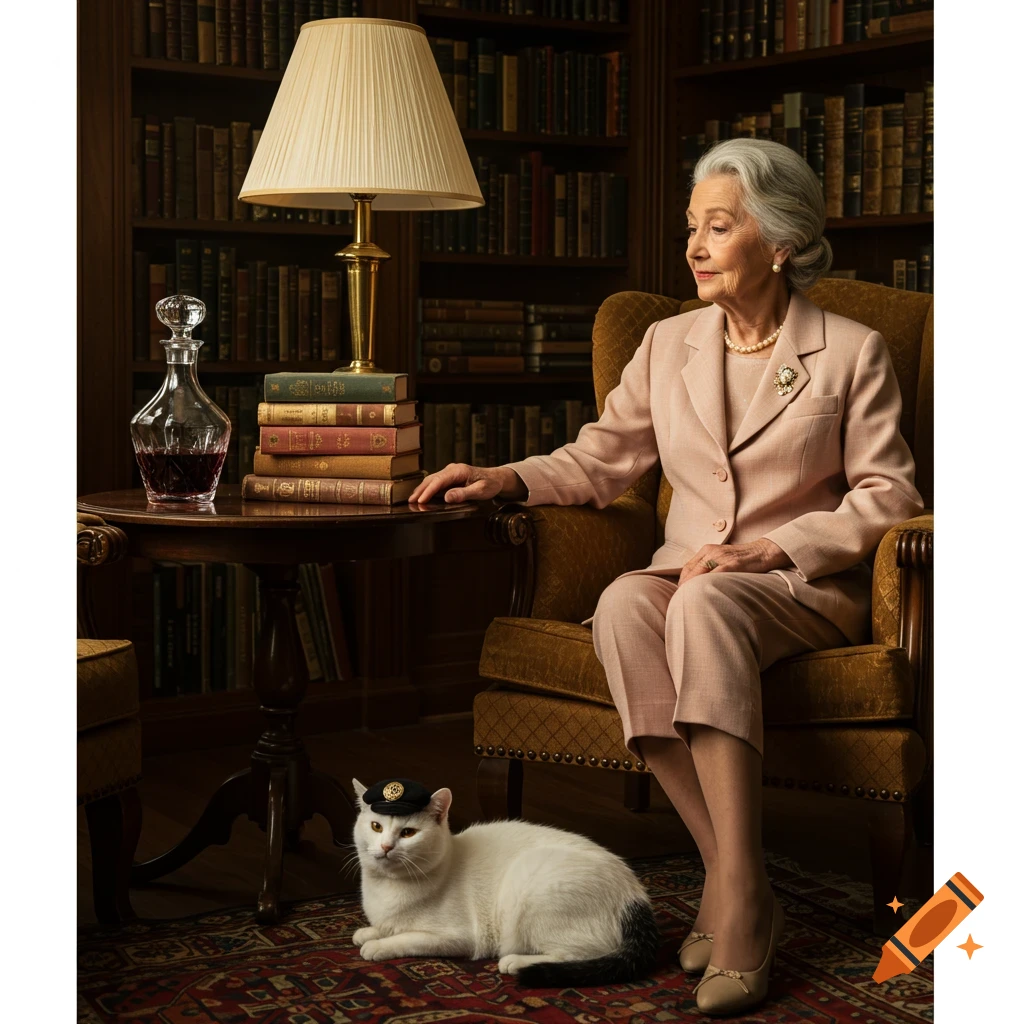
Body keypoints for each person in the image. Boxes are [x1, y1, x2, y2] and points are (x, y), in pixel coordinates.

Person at [406, 137, 925, 1016]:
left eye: (717, 227)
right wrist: (506, 478)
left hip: (798, 588)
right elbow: (603, 460)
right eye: (692, 227)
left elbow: (891, 492)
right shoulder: (665, 342)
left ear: (780, 241)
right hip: (690, 579)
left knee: (709, 597)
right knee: (622, 604)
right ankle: (740, 880)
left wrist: (775, 548)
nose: (693, 246)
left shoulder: (853, 352)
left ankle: (736, 901)